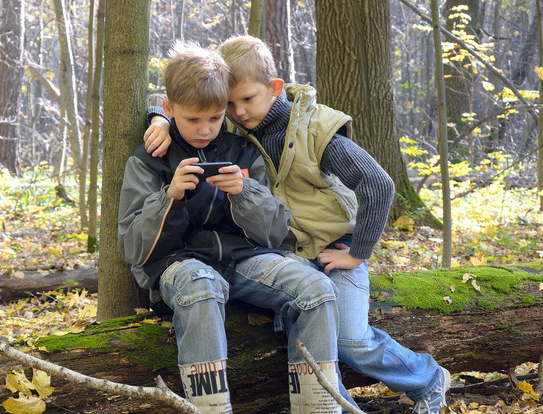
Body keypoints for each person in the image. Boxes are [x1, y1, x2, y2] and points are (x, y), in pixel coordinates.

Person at [143, 35, 451, 414]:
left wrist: (358, 254)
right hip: (278, 253)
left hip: (331, 252)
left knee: (349, 339)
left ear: (274, 89)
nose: (238, 112)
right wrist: (158, 119)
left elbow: (378, 184)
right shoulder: (236, 132)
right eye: (230, 104)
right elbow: (191, 100)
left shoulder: (315, 129)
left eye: (248, 99)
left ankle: (427, 377)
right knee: (301, 325)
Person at [118, 40, 342, 414]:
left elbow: (274, 234)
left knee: (317, 288)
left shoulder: (244, 151)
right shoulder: (148, 160)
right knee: (202, 286)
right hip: (177, 263)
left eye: (216, 118)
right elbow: (133, 248)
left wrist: (245, 193)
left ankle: (318, 408)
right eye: (192, 120)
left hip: (242, 258)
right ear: (169, 110)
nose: (205, 130)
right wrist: (169, 196)